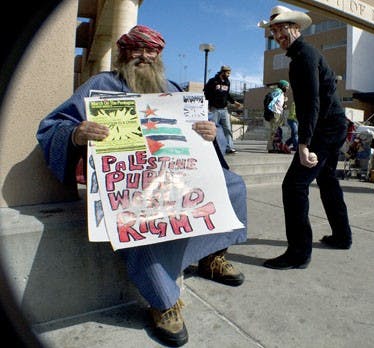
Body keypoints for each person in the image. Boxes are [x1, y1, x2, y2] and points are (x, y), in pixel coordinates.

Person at [35, 25, 247, 347]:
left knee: (233, 185)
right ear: (124, 53)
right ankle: (163, 301)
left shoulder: (172, 88)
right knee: (140, 217)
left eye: (152, 51)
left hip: (177, 176)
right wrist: (77, 133)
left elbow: (200, 136)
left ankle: (210, 257)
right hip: (133, 186)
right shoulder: (101, 85)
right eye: (138, 49)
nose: (145, 56)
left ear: (159, 55)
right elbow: (53, 126)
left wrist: (209, 133)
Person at [258, 6, 352, 270]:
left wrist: (303, 144)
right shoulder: (304, 55)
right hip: (335, 124)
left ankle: (299, 253)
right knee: (327, 179)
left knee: (294, 186)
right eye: (274, 31)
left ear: (296, 28)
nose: (278, 35)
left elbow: (311, 103)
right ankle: (342, 236)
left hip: (326, 128)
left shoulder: (303, 57)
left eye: (282, 28)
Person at [203, 65, 242, 154]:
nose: (229, 75)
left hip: (224, 109)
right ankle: (212, 148)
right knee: (212, 129)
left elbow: (227, 95)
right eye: (228, 73)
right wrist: (208, 105)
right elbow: (206, 92)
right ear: (223, 72)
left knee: (227, 128)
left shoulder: (227, 82)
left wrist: (234, 102)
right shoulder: (213, 81)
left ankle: (229, 147)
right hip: (214, 109)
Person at [266, 80, 289, 153]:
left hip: (278, 113)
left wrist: (284, 103)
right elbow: (271, 101)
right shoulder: (277, 91)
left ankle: (275, 146)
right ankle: (270, 147)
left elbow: (278, 104)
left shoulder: (281, 93)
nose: (287, 88)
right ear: (283, 86)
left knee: (277, 131)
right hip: (274, 113)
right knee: (273, 131)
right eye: (287, 86)